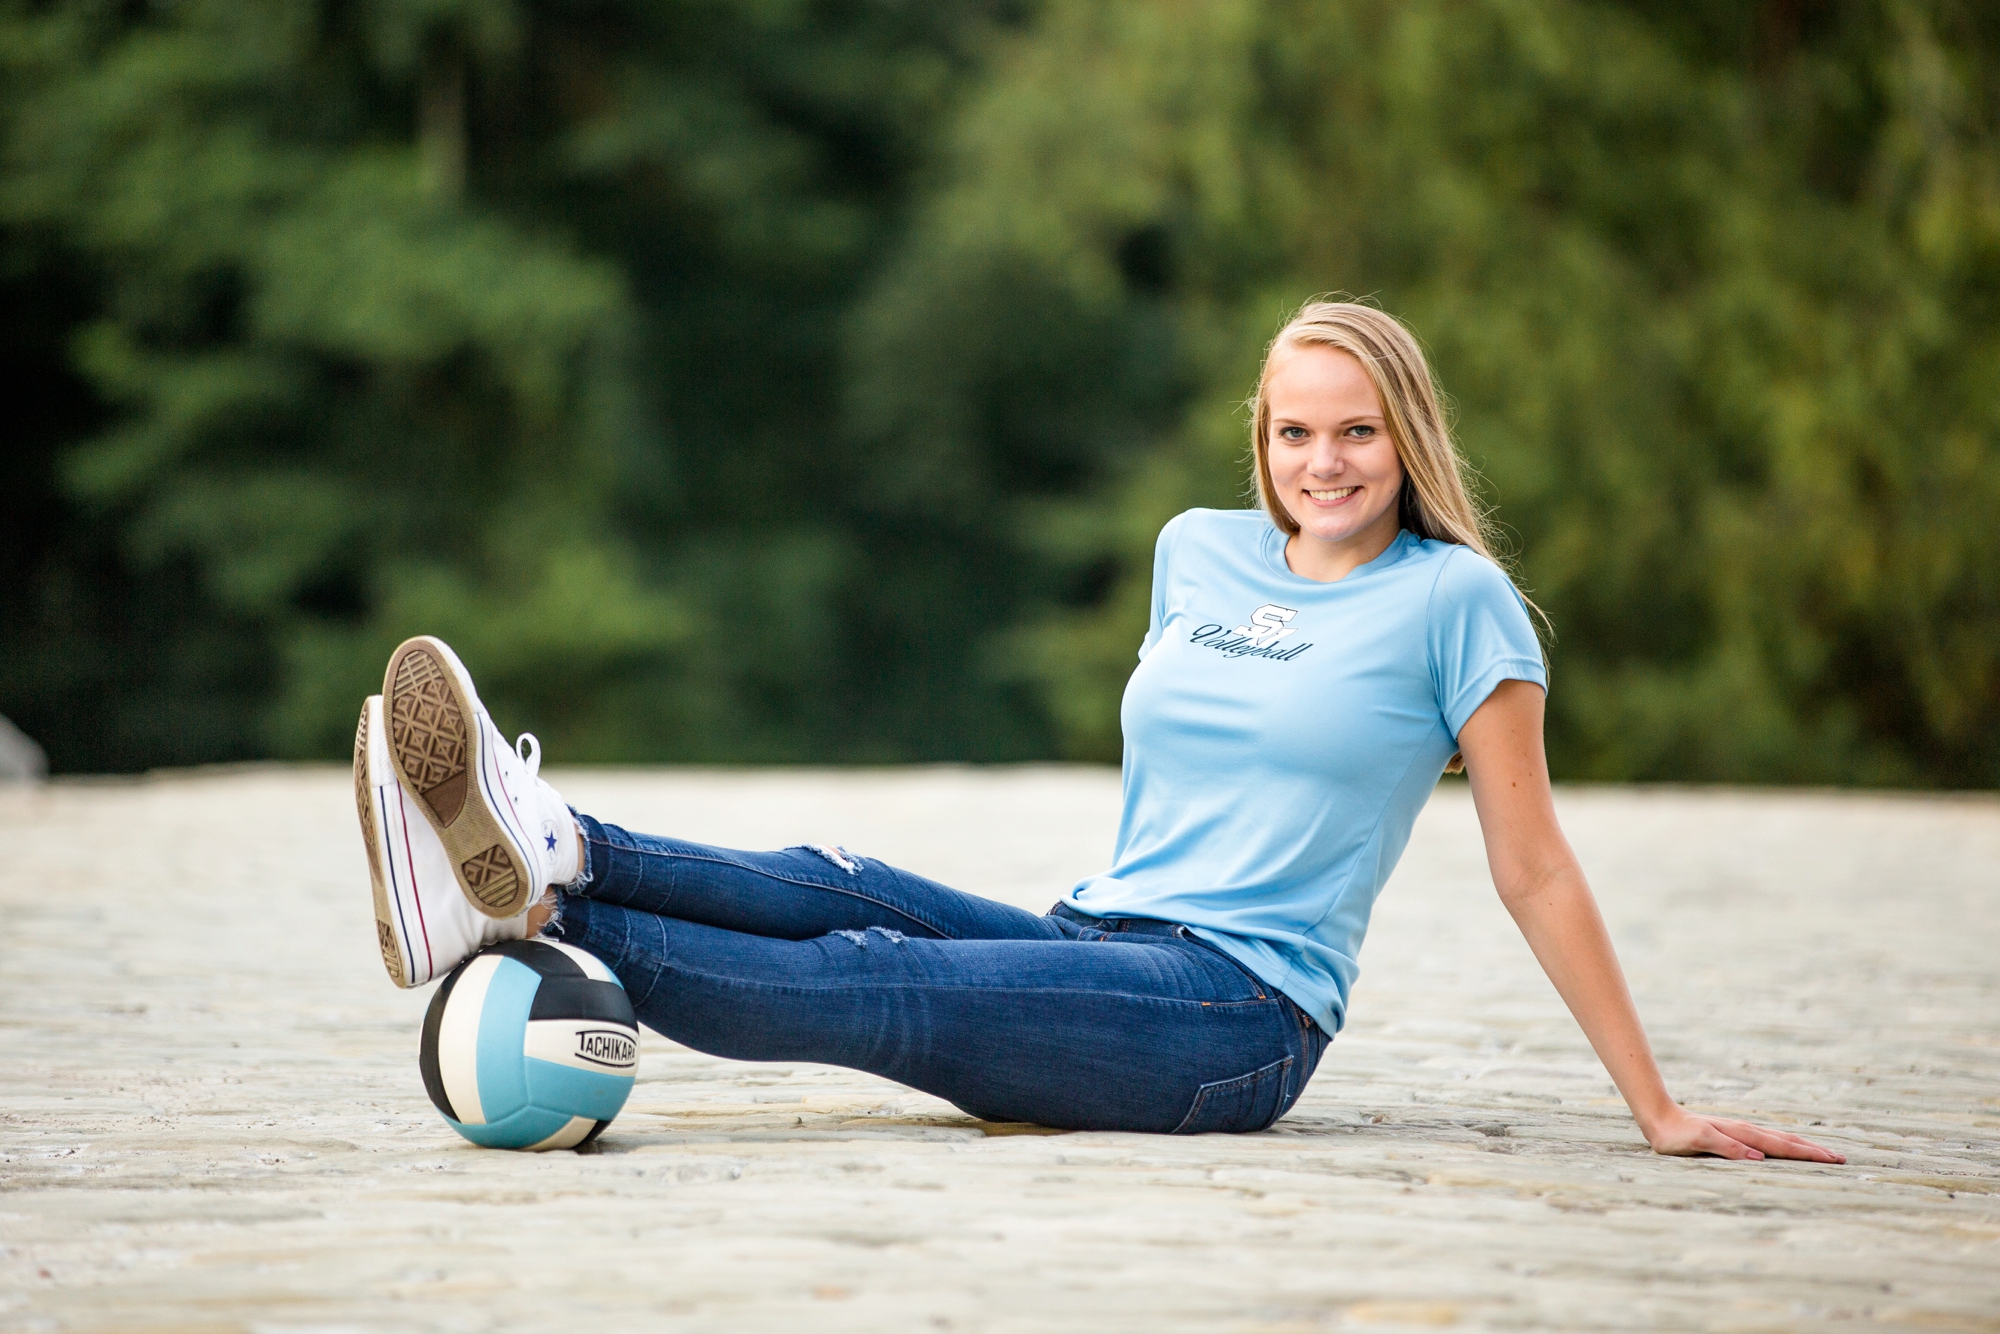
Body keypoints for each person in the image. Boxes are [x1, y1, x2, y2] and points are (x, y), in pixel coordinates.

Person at [352, 299, 1842, 1160]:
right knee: (849, 878)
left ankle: (530, 908)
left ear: (1411, 435)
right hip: (1102, 932)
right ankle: (554, 847)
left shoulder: (1459, 606)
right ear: (1259, 436)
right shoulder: (1198, 549)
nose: (1325, 460)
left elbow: (1533, 867)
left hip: (1238, 1017)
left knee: (883, 982)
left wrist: (1657, 1106)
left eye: (1360, 429)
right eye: (1296, 430)